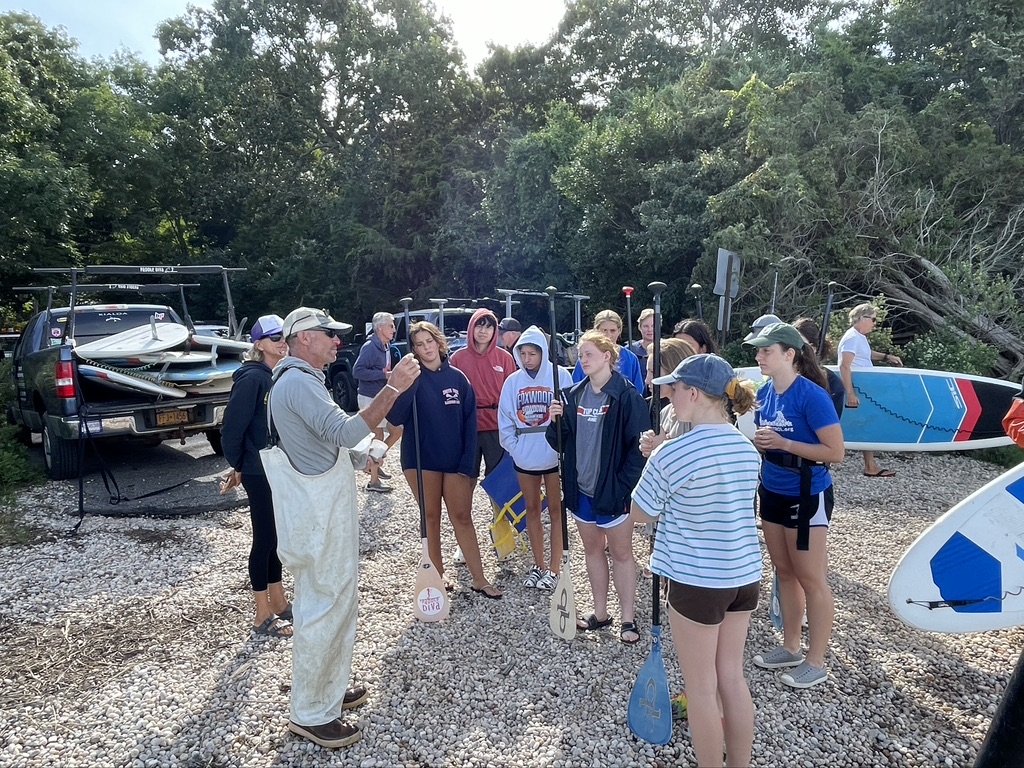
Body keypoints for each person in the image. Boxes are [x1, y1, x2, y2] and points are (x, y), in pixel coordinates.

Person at [266, 307, 420, 749]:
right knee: (323, 606)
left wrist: (361, 452)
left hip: (320, 511)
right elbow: (345, 428)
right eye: (328, 335)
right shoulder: (297, 382)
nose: (337, 342)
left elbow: (330, 441)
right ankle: (311, 713)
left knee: (333, 602)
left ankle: (326, 690)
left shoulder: (300, 379)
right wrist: (394, 388)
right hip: (318, 517)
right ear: (303, 339)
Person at [630, 354, 762, 767]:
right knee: (732, 679)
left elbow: (639, 514)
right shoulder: (746, 447)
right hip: (743, 575)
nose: (669, 397)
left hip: (697, 580)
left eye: (674, 389)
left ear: (693, 393)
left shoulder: (672, 454)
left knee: (701, 688)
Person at [744, 323, 844, 689]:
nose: (758, 357)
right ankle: (790, 646)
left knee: (811, 577)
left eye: (766, 351)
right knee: (783, 571)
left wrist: (784, 445)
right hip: (772, 488)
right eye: (758, 351)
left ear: (790, 354)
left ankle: (816, 660)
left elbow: (836, 452)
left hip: (807, 492)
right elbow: (765, 441)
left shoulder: (811, 395)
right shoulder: (766, 393)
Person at [389, 322, 503, 600]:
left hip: (454, 461)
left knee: (462, 516)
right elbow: (395, 417)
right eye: (419, 344)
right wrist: (408, 383)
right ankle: (435, 576)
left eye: (429, 341)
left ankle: (479, 578)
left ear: (438, 343)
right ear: (413, 349)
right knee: (430, 517)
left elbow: (469, 424)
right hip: (420, 459)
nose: (426, 348)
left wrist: (468, 464)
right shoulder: (410, 378)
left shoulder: (458, 379)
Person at [547, 330, 648, 643]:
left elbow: (639, 448)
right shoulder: (573, 395)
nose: (583, 359)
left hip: (614, 492)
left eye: (589, 353)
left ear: (608, 356)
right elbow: (558, 443)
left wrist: (622, 487)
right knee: (592, 551)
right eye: (581, 354)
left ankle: (628, 619)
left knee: (621, 554)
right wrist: (555, 422)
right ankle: (601, 613)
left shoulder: (626, 394)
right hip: (582, 491)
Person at [221, 314, 292, 638]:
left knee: (276, 538)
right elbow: (231, 428)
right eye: (274, 336)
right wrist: (240, 465)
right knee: (264, 538)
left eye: (284, 335)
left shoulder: (275, 374)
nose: (282, 341)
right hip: (258, 469)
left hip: (274, 468)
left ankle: (278, 601)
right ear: (259, 344)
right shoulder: (252, 378)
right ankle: (261, 614)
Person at [497, 325, 574, 589]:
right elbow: (505, 420)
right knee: (531, 509)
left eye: (533, 353)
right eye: (524, 353)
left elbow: (570, 416)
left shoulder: (560, 376)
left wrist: (562, 445)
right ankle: (537, 564)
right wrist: (515, 448)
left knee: (555, 511)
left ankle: (554, 568)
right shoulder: (512, 382)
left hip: (554, 457)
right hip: (524, 458)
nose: (528, 359)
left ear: (543, 352)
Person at [449, 309, 517, 564]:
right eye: (480, 325)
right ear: (471, 328)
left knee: (499, 484)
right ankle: (462, 543)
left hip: (497, 427)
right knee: (463, 485)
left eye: (489, 326)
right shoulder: (458, 358)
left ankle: (503, 538)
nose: (484, 331)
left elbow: (512, 394)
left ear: (495, 331)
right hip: (467, 428)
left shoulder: (505, 358)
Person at [837, 303, 903, 477]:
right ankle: (867, 465)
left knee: (866, 423)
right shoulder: (852, 337)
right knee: (861, 423)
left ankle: (870, 465)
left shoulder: (859, 338)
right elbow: (844, 366)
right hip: (858, 389)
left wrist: (886, 357)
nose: (875, 323)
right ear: (862, 319)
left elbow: (865, 353)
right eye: (873, 319)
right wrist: (850, 393)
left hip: (864, 388)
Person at [352, 312, 404, 493]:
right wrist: (383, 375)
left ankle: (375, 459)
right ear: (380, 328)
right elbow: (357, 371)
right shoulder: (370, 347)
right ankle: (373, 480)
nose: (394, 329)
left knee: (396, 431)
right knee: (378, 437)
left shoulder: (386, 346)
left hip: (380, 397)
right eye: (391, 325)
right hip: (369, 398)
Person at [639, 337, 698, 457]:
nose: (647, 380)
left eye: (653, 372)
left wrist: (662, 446)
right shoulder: (666, 412)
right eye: (647, 372)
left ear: (674, 370)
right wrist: (650, 445)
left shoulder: (697, 414)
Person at [571, 309, 646, 393]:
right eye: (604, 330)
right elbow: (575, 390)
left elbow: (638, 392)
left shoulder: (630, 359)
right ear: (596, 331)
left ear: (619, 331)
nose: (608, 335)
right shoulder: (585, 358)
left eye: (612, 331)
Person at [792, 317, 845, 418]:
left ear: (813, 348)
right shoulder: (779, 377)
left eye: (799, 343)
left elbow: (830, 427)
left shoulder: (833, 383)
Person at [628, 308, 655, 395]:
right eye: (646, 326)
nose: (650, 329)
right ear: (640, 327)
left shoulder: (666, 349)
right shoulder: (630, 350)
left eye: (653, 325)